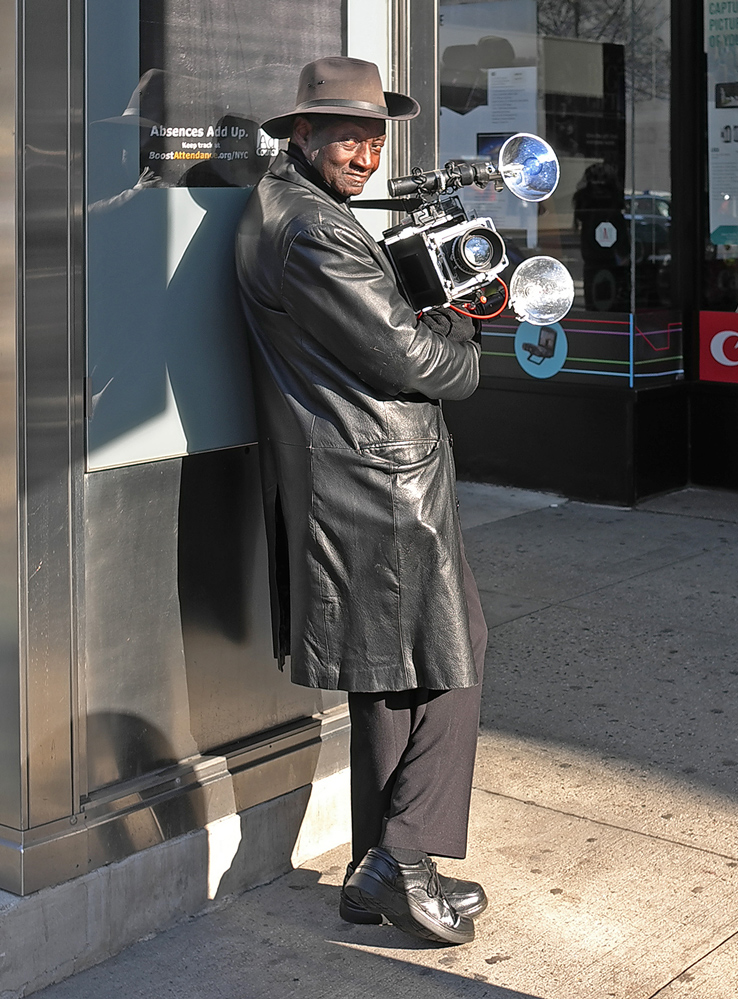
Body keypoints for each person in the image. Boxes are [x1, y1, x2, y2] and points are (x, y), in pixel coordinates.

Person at [234, 56, 488, 946]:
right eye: (346, 133)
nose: (365, 151)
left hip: (358, 474)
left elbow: (368, 332)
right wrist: (462, 332)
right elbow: (419, 364)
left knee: (391, 675)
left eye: (374, 134)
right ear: (299, 133)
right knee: (453, 658)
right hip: (378, 480)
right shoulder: (311, 229)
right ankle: (402, 855)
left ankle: (369, 873)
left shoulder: (295, 213)